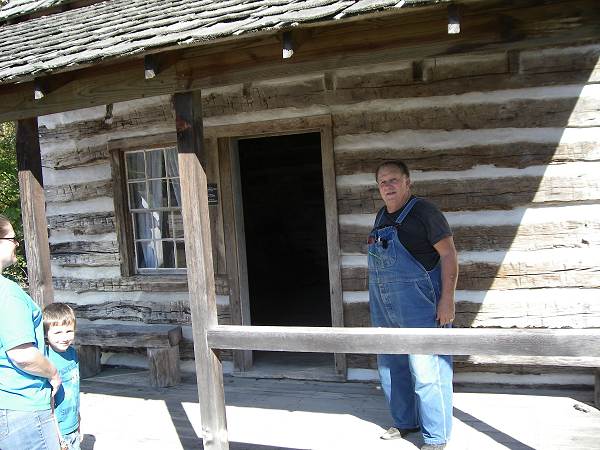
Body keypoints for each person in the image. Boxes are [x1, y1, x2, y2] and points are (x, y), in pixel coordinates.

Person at [368, 161, 458, 450]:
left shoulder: (425, 213)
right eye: (383, 182)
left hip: (422, 306)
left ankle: (435, 438)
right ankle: (406, 422)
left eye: (394, 180)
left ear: (408, 182)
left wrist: (447, 300)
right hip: (386, 306)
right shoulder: (382, 216)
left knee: (428, 371)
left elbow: (449, 255)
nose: (388, 186)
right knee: (392, 367)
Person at [0, 214, 62, 450]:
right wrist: (53, 372)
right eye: (12, 238)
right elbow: (23, 356)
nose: (17, 244)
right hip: (22, 408)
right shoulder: (7, 293)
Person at [44, 303, 81, 450]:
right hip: (57, 430)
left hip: (73, 424)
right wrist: (57, 436)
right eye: (58, 332)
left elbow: (75, 388)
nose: (64, 337)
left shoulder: (72, 354)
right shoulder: (46, 358)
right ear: (46, 333)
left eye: (69, 331)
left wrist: (78, 421)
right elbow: (49, 402)